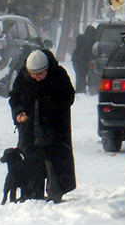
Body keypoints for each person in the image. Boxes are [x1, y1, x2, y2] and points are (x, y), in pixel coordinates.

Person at [9, 48, 76, 203]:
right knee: (32, 160)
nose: (37, 77)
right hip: (29, 128)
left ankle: (56, 194)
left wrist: (49, 105)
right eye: (33, 74)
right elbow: (14, 98)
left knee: (54, 162)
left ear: (47, 69)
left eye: (40, 74)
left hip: (55, 128)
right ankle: (33, 194)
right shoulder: (23, 77)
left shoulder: (59, 75)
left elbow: (69, 97)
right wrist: (18, 113)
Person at [71, 24, 96, 92]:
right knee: (84, 74)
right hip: (84, 59)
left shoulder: (80, 37)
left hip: (76, 58)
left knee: (79, 75)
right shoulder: (92, 40)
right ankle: (82, 90)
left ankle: (80, 89)